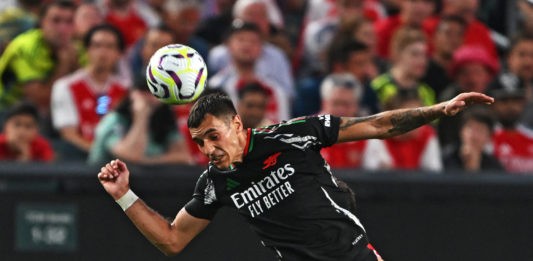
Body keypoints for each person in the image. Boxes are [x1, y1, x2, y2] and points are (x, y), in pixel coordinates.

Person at [97, 91, 493, 260]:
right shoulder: (216, 183)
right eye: (199, 142)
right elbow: (172, 241)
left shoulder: (292, 136)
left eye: (213, 136)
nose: (207, 149)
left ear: (237, 124)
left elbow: (376, 125)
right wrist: (123, 195)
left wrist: (439, 109)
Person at [51, 24, 128, 160]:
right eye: (97, 46)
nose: (102, 53)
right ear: (87, 50)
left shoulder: (126, 90)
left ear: (119, 54)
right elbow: (69, 134)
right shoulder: (65, 87)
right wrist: (100, 154)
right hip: (79, 162)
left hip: (119, 162)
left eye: (109, 47)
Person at [88, 78, 192, 165]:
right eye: (144, 91)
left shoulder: (164, 118)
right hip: (103, 182)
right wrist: (141, 116)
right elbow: (131, 156)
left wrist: (149, 161)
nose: (149, 97)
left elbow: (183, 156)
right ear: (132, 94)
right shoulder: (114, 120)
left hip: (145, 183)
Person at [443, 107, 504, 172]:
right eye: (471, 128)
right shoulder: (445, 158)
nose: (474, 136)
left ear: (488, 137)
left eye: (480, 130)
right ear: (461, 131)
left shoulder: (495, 166)